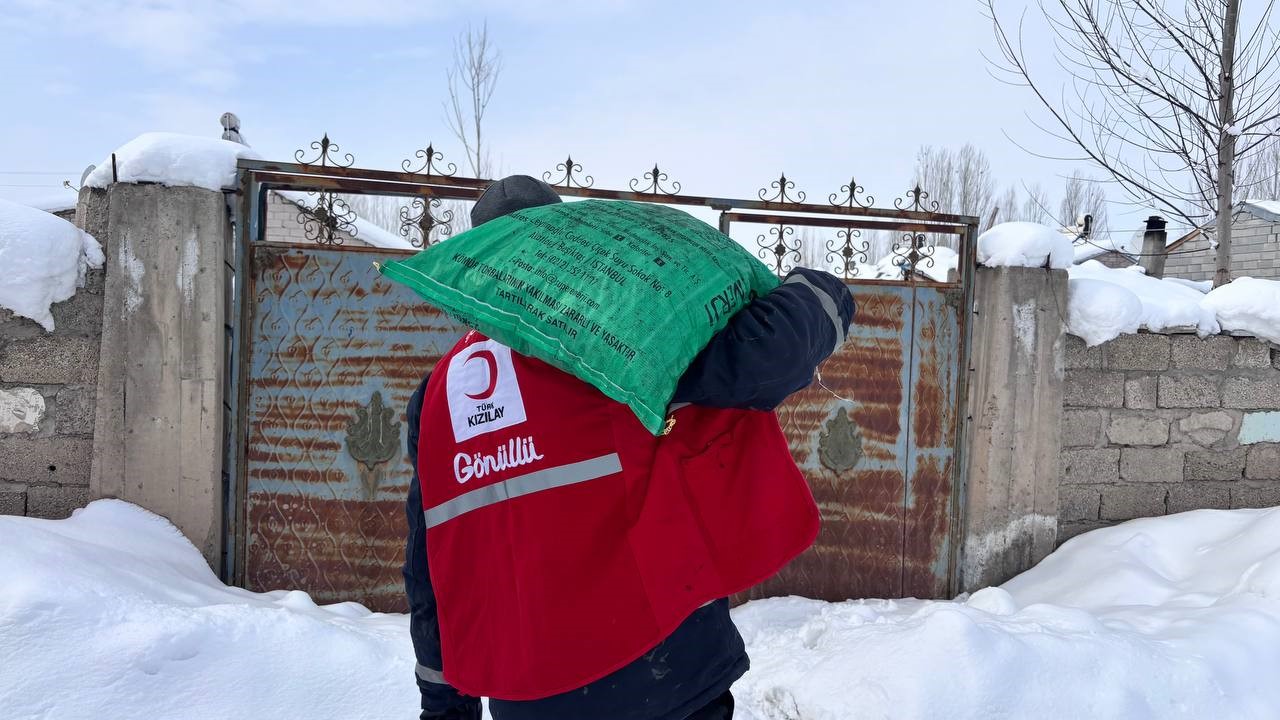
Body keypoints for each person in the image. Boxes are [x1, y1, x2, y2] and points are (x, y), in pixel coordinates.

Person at [403, 175, 855, 720]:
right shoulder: (626, 341)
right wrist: (822, 295)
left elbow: (429, 559)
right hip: (668, 666)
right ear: (564, 245)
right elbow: (769, 356)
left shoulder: (438, 395)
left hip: (532, 693)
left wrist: (444, 704)